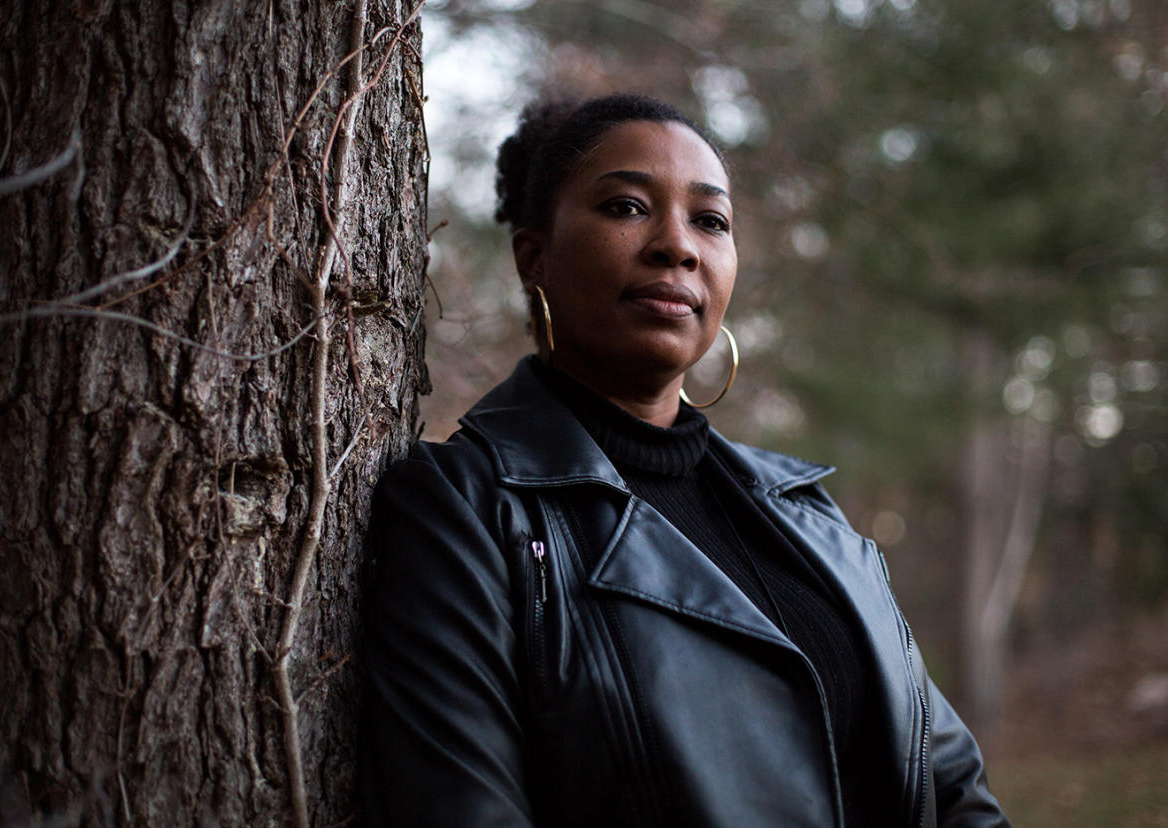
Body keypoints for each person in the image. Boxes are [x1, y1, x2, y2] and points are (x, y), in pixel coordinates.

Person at [360, 93, 1009, 827]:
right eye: (628, 207)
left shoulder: (803, 508)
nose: (679, 245)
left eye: (711, 220)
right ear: (533, 257)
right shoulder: (464, 508)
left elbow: (950, 783)